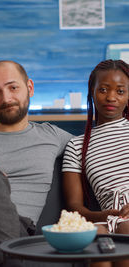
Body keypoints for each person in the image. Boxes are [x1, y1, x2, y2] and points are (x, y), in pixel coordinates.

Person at [0, 60, 73, 267]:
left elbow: (102, 148)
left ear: (29, 88)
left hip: (17, 231)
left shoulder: (52, 135)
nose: (6, 99)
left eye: (13, 87)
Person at [62, 59, 129, 267]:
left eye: (120, 91)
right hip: (105, 218)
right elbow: (74, 207)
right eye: (103, 89)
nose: (111, 97)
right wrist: (102, 215)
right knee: (96, 237)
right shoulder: (76, 146)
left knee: (126, 229)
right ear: (92, 91)